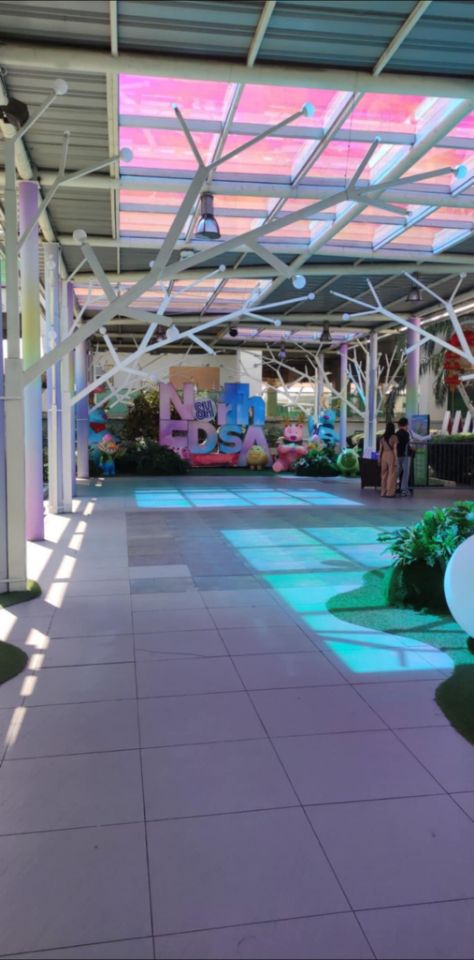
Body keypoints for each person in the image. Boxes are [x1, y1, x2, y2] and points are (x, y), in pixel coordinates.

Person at [378, 422, 398, 497]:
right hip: (391, 454)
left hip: (383, 455)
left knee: (383, 474)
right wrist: (396, 459)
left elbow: (380, 450)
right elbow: (395, 449)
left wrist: (379, 458)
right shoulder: (394, 437)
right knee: (391, 474)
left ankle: (383, 492)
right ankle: (390, 492)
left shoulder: (382, 437)